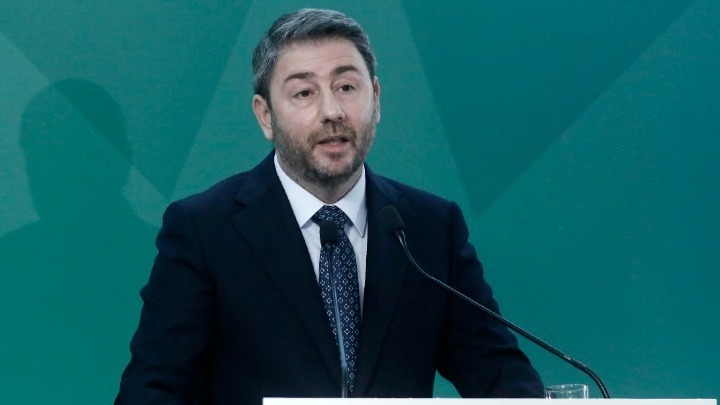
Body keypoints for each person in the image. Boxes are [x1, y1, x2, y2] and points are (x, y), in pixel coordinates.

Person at [116, 8, 544, 403]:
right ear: (266, 116)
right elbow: (151, 390)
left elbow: (499, 375)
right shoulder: (205, 229)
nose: (332, 111)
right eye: (304, 93)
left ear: (376, 99)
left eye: (347, 87)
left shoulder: (430, 227)